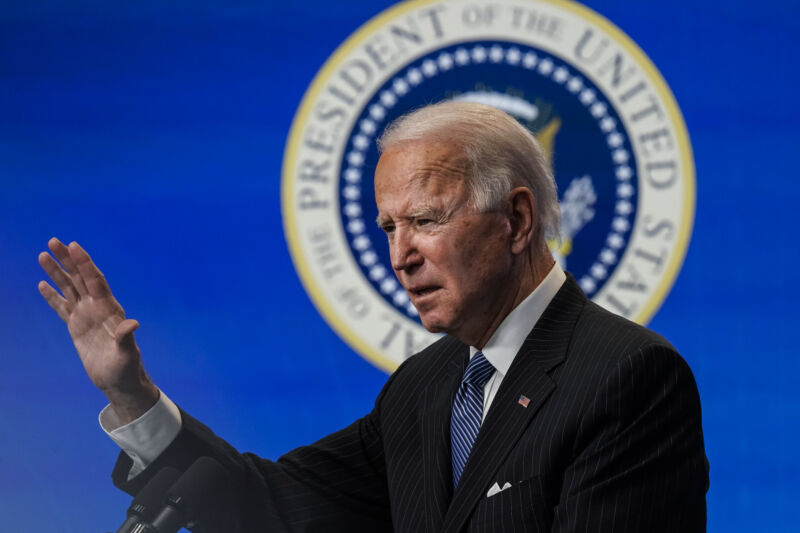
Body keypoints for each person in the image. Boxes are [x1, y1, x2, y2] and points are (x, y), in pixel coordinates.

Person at [38, 101, 708, 532]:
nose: (399, 255)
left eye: (424, 219)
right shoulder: (424, 388)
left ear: (517, 219)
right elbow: (273, 503)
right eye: (388, 226)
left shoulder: (626, 377)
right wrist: (132, 394)